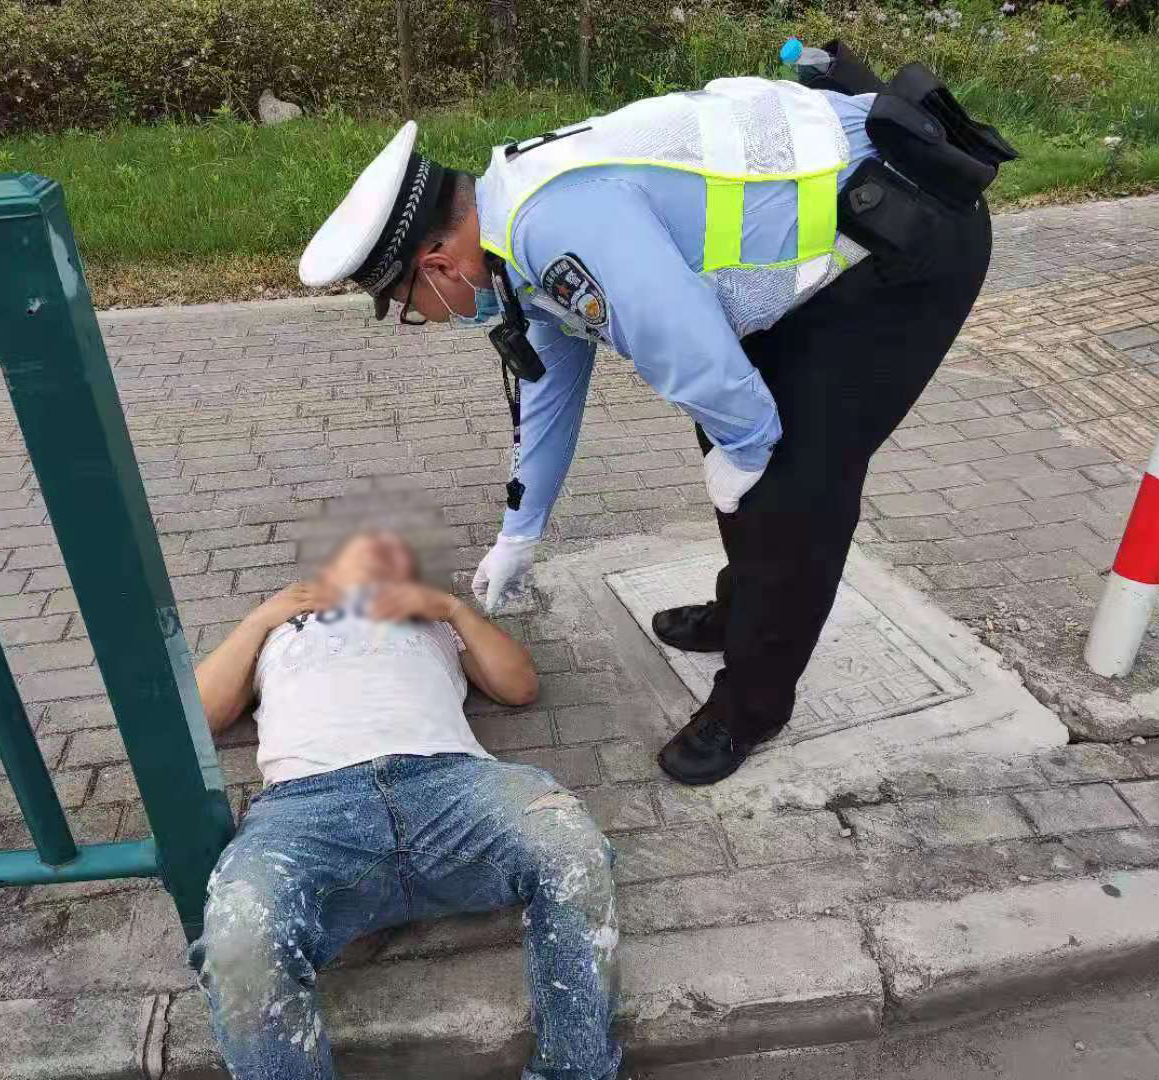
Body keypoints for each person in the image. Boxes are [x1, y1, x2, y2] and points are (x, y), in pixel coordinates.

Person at [296, 52, 1011, 785]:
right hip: (829, 240)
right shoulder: (511, 225)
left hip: (904, 233)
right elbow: (549, 391)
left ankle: (753, 705)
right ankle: (743, 612)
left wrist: (748, 447)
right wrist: (521, 530)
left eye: (412, 305)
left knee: (793, 487)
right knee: (739, 448)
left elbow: (693, 355)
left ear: (439, 263)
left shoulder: (554, 227)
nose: (430, 316)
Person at [188, 529, 621, 1080]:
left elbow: (520, 687)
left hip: (451, 784)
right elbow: (201, 715)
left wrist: (453, 610)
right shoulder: (281, 631)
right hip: (308, 808)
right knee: (239, 937)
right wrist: (259, 620)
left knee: (572, 851)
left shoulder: (436, 623)